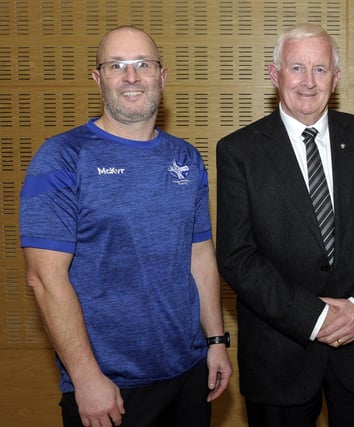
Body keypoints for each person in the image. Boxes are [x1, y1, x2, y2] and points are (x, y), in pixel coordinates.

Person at [19, 26, 232, 427]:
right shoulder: (63, 158)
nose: (131, 77)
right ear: (98, 79)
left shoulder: (186, 158)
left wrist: (216, 341)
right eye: (117, 66)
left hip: (189, 374)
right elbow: (45, 279)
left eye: (142, 65)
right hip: (109, 387)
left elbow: (199, 255)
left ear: (162, 76)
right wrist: (85, 378)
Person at [216, 23, 354, 427]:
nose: (308, 82)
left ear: (336, 79)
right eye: (297, 68)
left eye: (321, 70)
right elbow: (237, 256)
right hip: (278, 358)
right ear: (275, 74)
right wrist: (314, 317)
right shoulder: (239, 151)